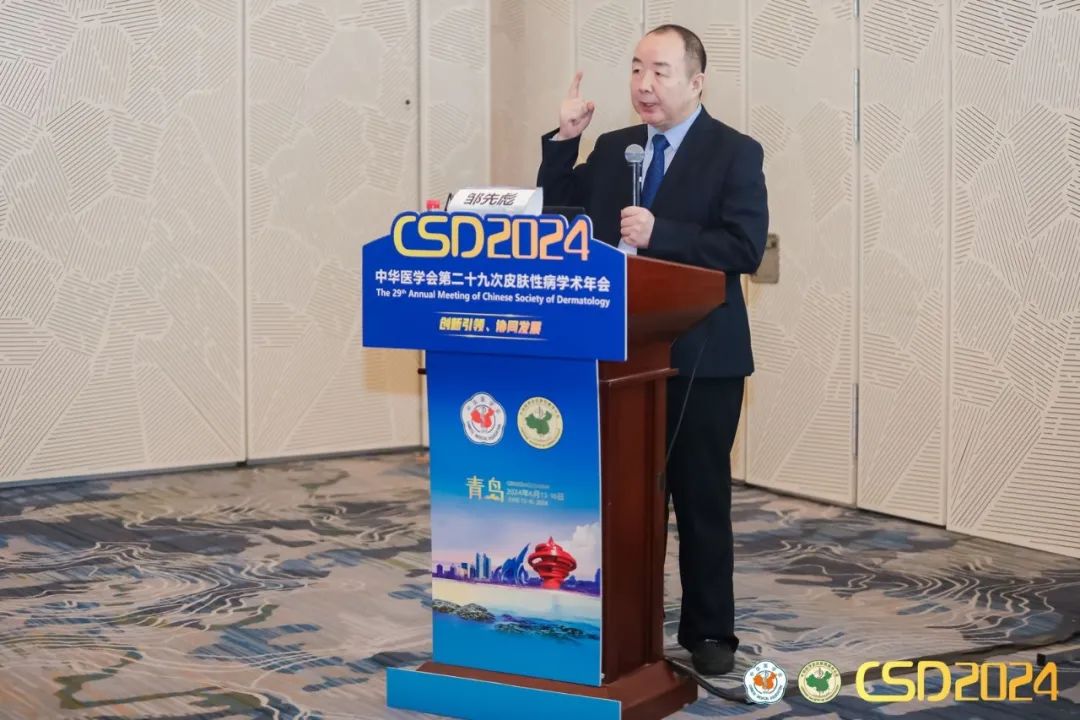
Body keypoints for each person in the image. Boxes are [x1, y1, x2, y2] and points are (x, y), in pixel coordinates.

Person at [536, 24, 768, 676]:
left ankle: (710, 632)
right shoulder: (616, 149)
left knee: (698, 498)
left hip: (703, 357)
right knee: (622, 498)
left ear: (696, 81)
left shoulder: (734, 152)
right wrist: (565, 141)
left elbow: (743, 247)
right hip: (619, 356)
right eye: (637, 69)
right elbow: (557, 214)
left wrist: (662, 233)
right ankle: (618, 621)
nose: (644, 84)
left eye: (660, 71)